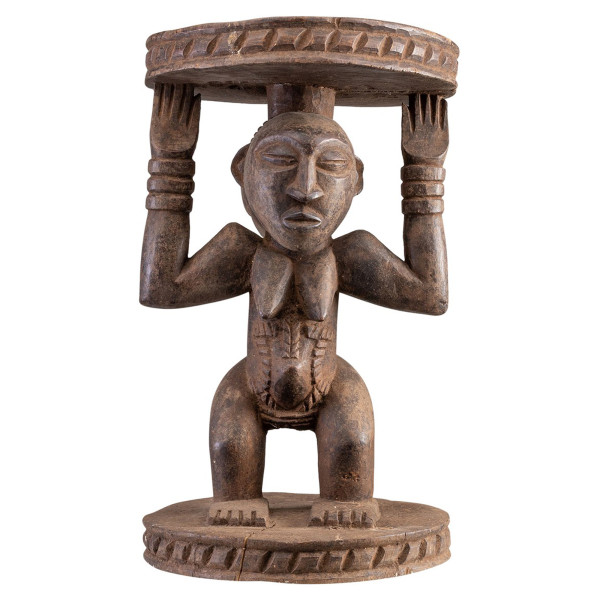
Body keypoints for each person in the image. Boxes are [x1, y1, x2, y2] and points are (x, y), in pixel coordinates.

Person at [141, 84, 449, 527]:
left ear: (358, 179)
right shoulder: (239, 249)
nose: (306, 188)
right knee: (230, 442)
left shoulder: (352, 254)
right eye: (280, 159)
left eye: (332, 165)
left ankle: (345, 497)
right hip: (250, 388)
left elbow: (430, 293)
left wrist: (424, 168)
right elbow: (160, 288)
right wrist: (171, 161)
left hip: (332, 387)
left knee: (351, 443)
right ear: (242, 170)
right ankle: (239, 494)